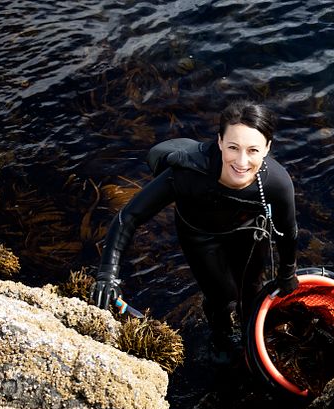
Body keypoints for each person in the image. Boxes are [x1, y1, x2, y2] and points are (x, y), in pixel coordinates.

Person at [90, 100, 299, 358]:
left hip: (248, 232)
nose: (242, 162)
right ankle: (221, 337)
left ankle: (251, 334)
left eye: (253, 150)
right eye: (233, 147)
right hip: (201, 236)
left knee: (252, 292)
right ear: (220, 141)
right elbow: (130, 216)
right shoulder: (188, 172)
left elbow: (288, 231)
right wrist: (108, 274)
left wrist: (288, 271)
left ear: (267, 148)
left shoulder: (277, 183)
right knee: (223, 297)